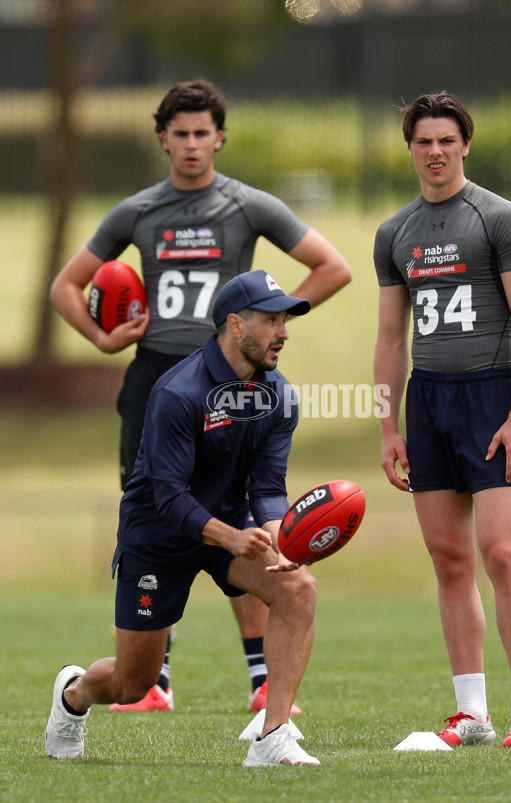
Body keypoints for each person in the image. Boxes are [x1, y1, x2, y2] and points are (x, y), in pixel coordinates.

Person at [50, 78, 351, 713]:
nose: (191, 144)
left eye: (202, 132)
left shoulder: (247, 206)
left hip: (234, 382)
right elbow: (65, 288)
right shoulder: (137, 210)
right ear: (164, 140)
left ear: (219, 138)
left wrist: (271, 327)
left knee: (239, 513)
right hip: (161, 381)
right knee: (163, 508)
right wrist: (105, 340)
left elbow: (334, 267)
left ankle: (260, 681)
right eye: (180, 133)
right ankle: (153, 680)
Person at [45, 270, 321, 766]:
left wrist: (282, 539)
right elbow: (168, 497)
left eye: (286, 321)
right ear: (235, 325)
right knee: (134, 683)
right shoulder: (179, 392)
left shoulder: (279, 396)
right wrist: (232, 537)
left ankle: (273, 734)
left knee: (298, 587)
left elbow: (267, 485)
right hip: (158, 536)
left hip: (229, 528)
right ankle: (73, 695)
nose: (284, 332)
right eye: (272, 320)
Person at [373, 91, 511, 748]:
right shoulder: (395, 233)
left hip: (491, 398)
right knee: (449, 558)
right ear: (411, 148)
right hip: (428, 402)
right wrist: (388, 428)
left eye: (447, 140)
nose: (436, 151)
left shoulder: (498, 218)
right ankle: (471, 711)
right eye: (424, 141)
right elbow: (391, 340)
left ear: (465, 144)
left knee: (501, 552)